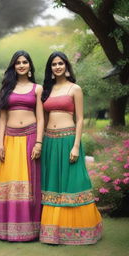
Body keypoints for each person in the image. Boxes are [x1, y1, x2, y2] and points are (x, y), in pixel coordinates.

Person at [40, 51, 102, 245]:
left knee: (73, 182)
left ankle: (79, 230)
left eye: (60, 63)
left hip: (68, 140)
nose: (57, 67)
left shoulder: (75, 88)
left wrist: (76, 146)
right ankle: (53, 231)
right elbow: (42, 117)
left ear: (66, 66)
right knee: (54, 184)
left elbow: (80, 118)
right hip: (50, 141)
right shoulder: (46, 90)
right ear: (50, 68)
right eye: (54, 64)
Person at [0, 50, 44, 241]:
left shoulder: (37, 89)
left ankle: (30, 229)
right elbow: (2, 119)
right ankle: (8, 229)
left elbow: (41, 118)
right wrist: (0, 144)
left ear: (30, 66)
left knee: (30, 185)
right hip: (10, 139)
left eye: (25, 62)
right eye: (18, 63)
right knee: (9, 184)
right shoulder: (6, 89)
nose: (22, 65)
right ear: (13, 66)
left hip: (31, 138)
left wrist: (39, 143)